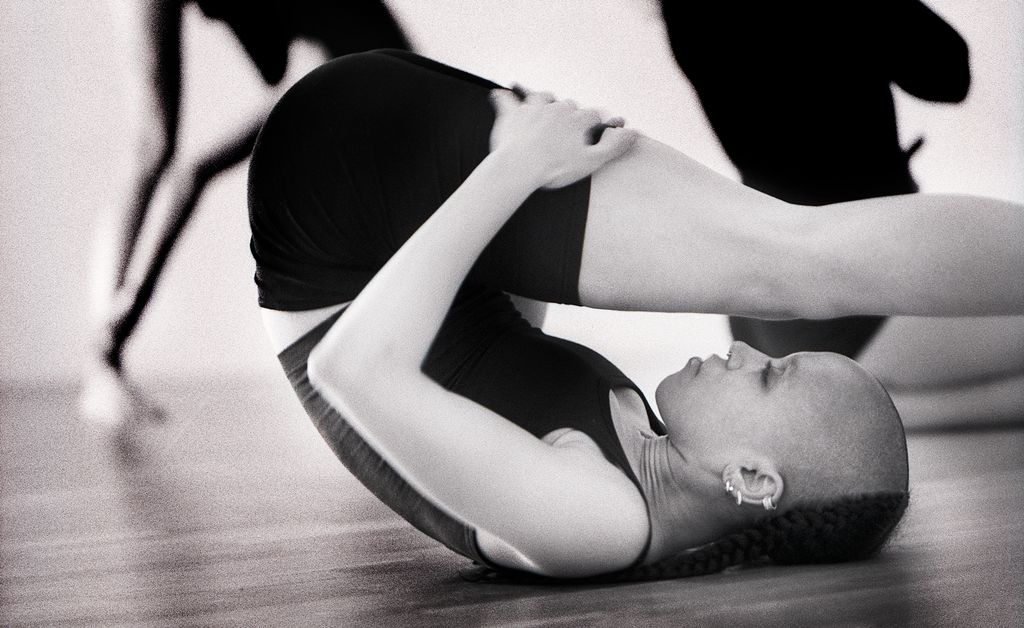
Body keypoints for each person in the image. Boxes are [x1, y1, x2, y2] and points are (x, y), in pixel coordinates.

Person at [246, 50, 938, 581]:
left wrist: (515, 171)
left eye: (770, 376)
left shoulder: (599, 524)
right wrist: (539, 200)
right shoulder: (644, 447)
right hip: (377, 238)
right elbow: (498, 346)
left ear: (752, 479)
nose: (748, 352)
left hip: (326, 244)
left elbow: (351, 370)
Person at [659, 2, 1023, 427]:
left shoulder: (685, 11)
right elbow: (946, 73)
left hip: (767, 312)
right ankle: (872, 408)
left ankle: (869, 411)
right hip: (869, 289)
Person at [82, 0, 410, 424]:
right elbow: (193, 172)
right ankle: (103, 358)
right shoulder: (331, 73)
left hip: (345, 75)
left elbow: (199, 170)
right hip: (343, 74)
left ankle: (105, 354)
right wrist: (127, 308)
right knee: (154, 146)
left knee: (162, 148)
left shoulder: (337, 73)